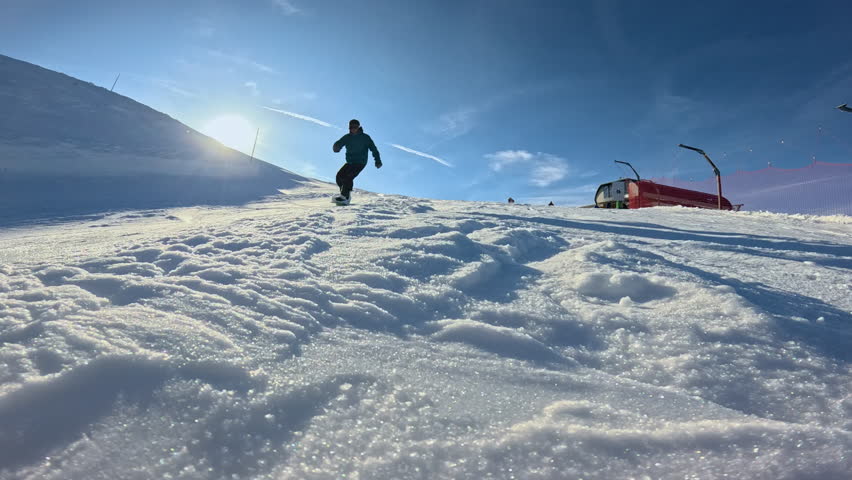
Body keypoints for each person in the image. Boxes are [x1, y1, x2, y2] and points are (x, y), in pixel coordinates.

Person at [332, 119, 381, 203]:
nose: (353, 129)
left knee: (348, 177)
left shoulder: (365, 137)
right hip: (350, 162)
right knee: (339, 176)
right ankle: (345, 195)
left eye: (355, 127)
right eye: (351, 127)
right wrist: (336, 146)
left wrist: (377, 160)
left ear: (358, 127)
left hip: (360, 162)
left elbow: (374, 149)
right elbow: (340, 143)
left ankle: (345, 196)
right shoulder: (347, 137)